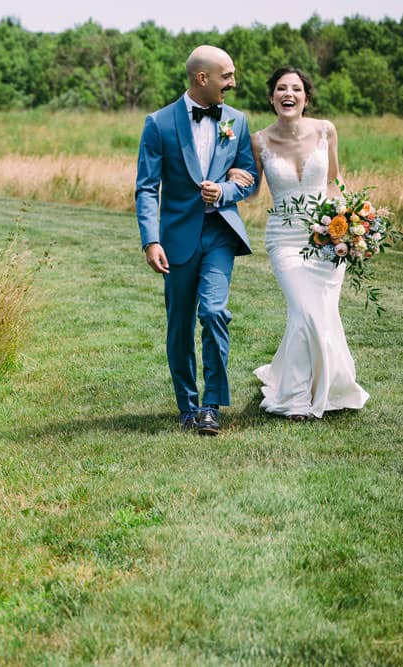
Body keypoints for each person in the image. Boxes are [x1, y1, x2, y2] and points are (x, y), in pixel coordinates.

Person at [228, 68, 369, 420]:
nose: (287, 94)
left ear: (306, 97)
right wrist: (233, 176)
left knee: (318, 313)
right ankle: (295, 398)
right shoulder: (258, 140)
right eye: (280, 88)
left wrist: (352, 224)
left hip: (327, 237)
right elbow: (253, 191)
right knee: (305, 311)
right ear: (272, 97)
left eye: (295, 88)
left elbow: (335, 181)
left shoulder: (326, 130)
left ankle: (325, 384)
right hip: (285, 240)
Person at [135, 45, 259, 436]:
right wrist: (150, 240)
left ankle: (211, 406)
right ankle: (187, 405)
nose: (233, 83)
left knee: (214, 313)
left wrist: (224, 191)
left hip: (220, 234)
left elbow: (249, 176)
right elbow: (146, 188)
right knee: (179, 324)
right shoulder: (159, 123)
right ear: (201, 78)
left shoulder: (237, 121)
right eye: (227, 76)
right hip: (176, 238)